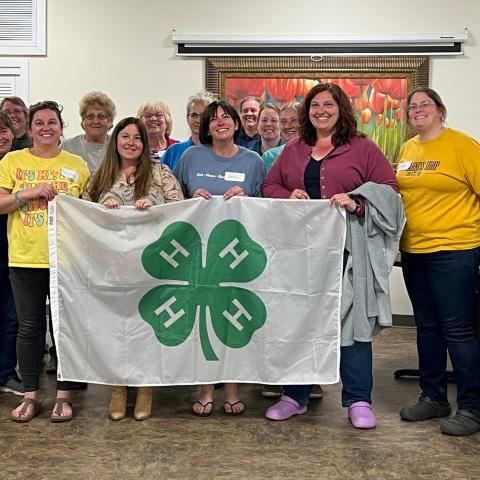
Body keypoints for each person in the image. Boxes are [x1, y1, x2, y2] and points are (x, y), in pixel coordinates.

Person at [262, 83, 400, 429]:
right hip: (301, 255)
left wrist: (356, 202)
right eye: (314, 105)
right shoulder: (294, 149)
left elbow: (389, 190)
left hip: (346, 253)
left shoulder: (362, 148)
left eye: (328, 104)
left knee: (351, 323)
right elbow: (268, 187)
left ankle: (358, 400)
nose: (321, 110)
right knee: (301, 322)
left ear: (341, 108)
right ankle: (295, 396)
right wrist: (288, 193)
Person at [82, 117, 184, 421]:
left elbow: (180, 211)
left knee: (146, 327)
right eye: (124, 137)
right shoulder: (100, 176)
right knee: (116, 329)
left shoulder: (160, 173)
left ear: (145, 143)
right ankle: (118, 388)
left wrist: (153, 210)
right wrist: (104, 211)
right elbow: (83, 214)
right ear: (116, 141)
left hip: (153, 267)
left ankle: (144, 387)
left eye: (137, 138)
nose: (130, 142)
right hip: (112, 268)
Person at [397, 87, 480, 437]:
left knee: (458, 331)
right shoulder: (409, 148)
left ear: (440, 110)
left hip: (456, 250)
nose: (418, 110)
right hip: (415, 252)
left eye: (425, 105)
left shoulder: (462, 145)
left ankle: (473, 408)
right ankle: (433, 397)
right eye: (412, 107)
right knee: (427, 328)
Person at [0, 100, 90, 423]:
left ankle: (63, 397)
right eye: (39, 122)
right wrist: (28, 193)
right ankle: (31, 396)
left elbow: (88, 211)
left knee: (63, 327)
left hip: (67, 259)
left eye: (52, 122)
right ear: (31, 128)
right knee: (29, 328)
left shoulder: (78, 165)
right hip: (25, 258)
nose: (46, 127)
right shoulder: (13, 160)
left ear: (62, 129)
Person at [175, 100, 266, 416]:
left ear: (238, 125)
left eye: (227, 117)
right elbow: (174, 200)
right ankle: (205, 388)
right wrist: (192, 199)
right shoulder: (190, 157)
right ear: (206, 127)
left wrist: (246, 198)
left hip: (236, 255)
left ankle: (231, 387)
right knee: (202, 319)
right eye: (213, 119)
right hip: (197, 255)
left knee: (231, 322)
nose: (220, 122)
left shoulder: (253, 161)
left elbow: (266, 208)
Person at [0, 112, 24, 397]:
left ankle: (6, 372)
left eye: (4, 129)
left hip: (13, 250)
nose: (1, 136)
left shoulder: (20, 163)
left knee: (11, 317)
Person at [62, 91, 117, 172]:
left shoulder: (118, 146)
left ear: (110, 121)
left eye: (101, 116)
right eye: (90, 116)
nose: (95, 121)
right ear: (83, 121)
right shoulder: (67, 147)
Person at [162, 91, 217, 172]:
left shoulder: (221, 151)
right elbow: (158, 181)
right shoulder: (173, 151)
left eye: (203, 115)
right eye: (194, 115)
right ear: (188, 119)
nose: (198, 120)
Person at [262, 103, 299, 172]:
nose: (288, 126)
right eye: (283, 121)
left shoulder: (317, 153)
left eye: (294, 120)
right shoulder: (269, 157)